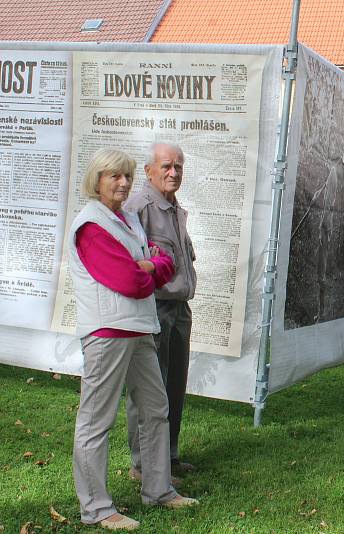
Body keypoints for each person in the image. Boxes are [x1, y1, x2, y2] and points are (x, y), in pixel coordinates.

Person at [69, 148, 197, 530]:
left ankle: (158, 490)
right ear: (97, 180)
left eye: (126, 176)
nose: (123, 183)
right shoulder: (92, 225)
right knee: (97, 421)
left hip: (140, 328)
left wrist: (150, 265)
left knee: (156, 409)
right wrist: (148, 267)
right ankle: (96, 508)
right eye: (114, 176)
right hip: (108, 331)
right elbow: (130, 280)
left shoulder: (125, 218)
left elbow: (166, 261)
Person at [125, 143, 198, 480]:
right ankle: (143, 465)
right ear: (148, 171)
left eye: (178, 167)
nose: (173, 173)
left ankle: (168, 456)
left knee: (174, 385)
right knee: (149, 388)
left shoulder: (173, 207)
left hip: (179, 309)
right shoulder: (138, 207)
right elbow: (130, 266)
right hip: (154, 308)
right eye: (167, 166)